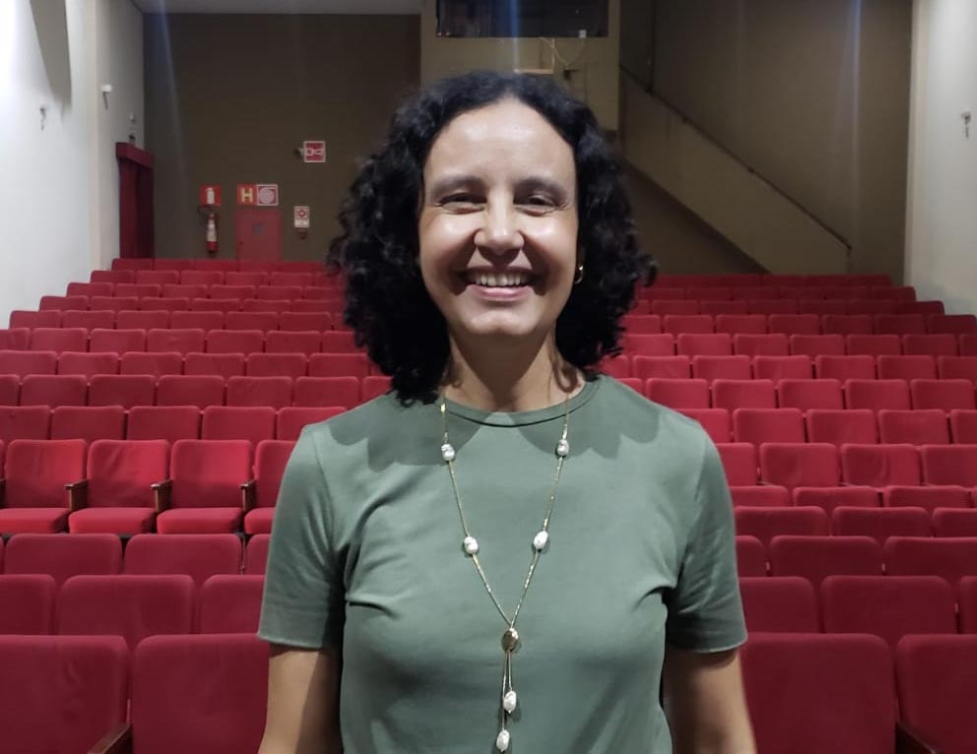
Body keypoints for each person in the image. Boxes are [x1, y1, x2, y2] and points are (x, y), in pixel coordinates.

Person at [257, 70, 755, 754]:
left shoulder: (676, 458)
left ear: (584, 238)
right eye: (461, 198)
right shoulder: (330, 465)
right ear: (410, 234)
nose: (498, 233)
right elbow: (294, 744)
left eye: (537, 201)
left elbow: (719, 738)